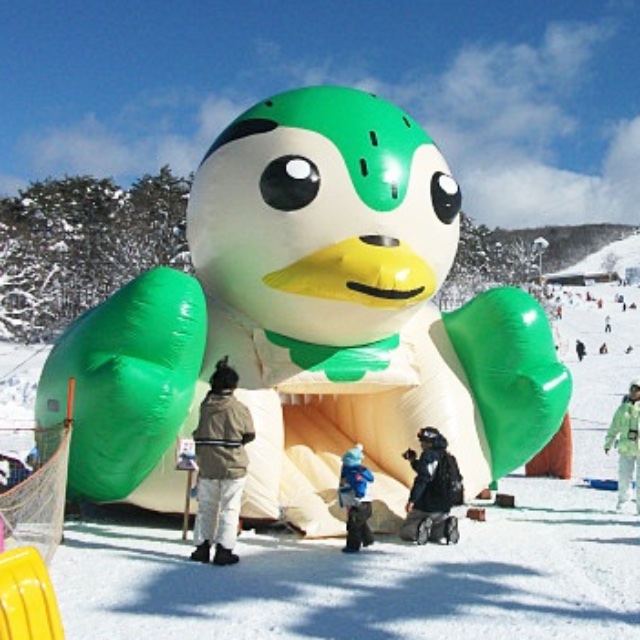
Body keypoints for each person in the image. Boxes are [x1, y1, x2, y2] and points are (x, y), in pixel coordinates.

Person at [189, 356, 255, 566]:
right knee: (230, 508)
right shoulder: (238, 408)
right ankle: (224, 550)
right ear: (233, 385)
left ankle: (201, 547)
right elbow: (249, 434)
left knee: (206, 507)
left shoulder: (205, 406)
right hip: (233, 465)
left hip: (207, 464)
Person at [399, 427, 460, 545]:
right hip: (444, 507)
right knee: (434, 533)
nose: (421, 445)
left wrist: (412, 500)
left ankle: (418, 528)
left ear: (429, 442)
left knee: (405, 531)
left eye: (423, 442)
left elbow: (423, 478)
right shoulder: (448, 457)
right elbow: (431, 472)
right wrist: (413, 461)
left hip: (427, 504)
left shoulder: (428, 456)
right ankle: (446, 526)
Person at [604, 379, 640, 514]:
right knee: (624, 477)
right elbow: (614, 427)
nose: (634, 392)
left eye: (637, 390)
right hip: (626, 447)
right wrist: (608, 442)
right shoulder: (623, 408)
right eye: (632, 390)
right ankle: (623, 502)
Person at [338, 444, 375, 553]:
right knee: (360, 522)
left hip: (359, 503)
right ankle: (368, 539)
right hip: (362, 504)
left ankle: (352, 546)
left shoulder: (353, 473)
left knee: (354, 525)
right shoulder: (355, 471)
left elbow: (360, 484)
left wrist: (359, 494)